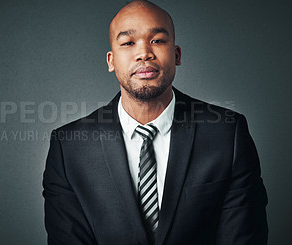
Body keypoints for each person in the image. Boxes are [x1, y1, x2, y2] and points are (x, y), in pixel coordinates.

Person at [42, 1, 268, 244]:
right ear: (111, 61)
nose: (144, 53)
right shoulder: (68, 148)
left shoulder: (227, 133)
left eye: (158, 40)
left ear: (177, 54)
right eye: (128, 43)